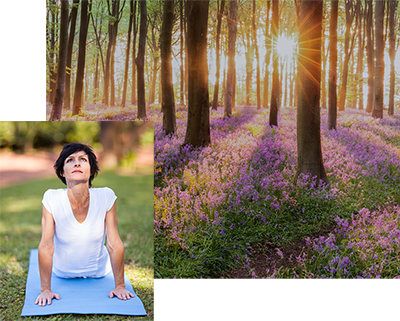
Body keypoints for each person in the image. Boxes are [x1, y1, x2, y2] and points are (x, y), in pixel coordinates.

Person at [35, 143, 134, 306]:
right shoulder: (51, 198)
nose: (77, 163)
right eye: (70, 160)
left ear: (91, 170)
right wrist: (45, 289)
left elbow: (114, 243)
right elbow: (46, 246)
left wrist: (120, 286)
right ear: (61, 171)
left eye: (83, 159)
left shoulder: (106, 196)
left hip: (100, 272)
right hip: (61, 273)